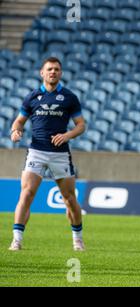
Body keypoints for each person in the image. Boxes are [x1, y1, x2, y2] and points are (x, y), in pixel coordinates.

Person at [8, 57, 86, 252]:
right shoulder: (32, 97)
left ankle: (77, 239)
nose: (53, 72)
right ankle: (17, 240)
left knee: (69, 198)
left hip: (60, 155)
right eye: (50, 69)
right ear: (42, 73)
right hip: (36, 152)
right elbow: (19, 121)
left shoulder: (69, 97)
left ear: (61, 73)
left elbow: (81, 125)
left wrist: (67, 135)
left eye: (57, 70)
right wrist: (15, 131)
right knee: (26, 194)